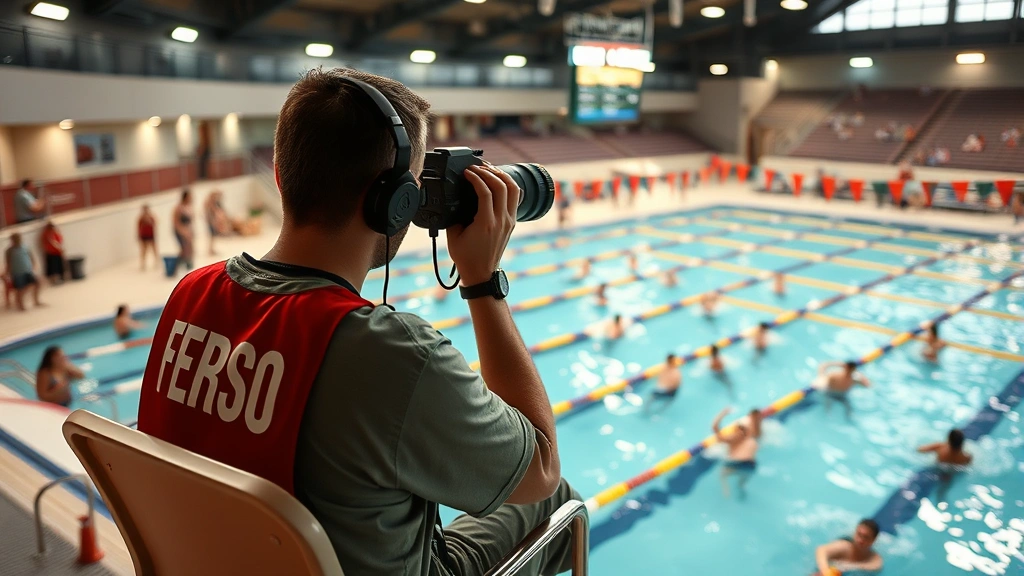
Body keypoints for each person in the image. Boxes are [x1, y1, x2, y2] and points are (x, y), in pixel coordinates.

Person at [137, 67, 580, 576]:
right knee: (558, 502)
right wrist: (482, 282)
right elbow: (541, 469)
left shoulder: (190, 293)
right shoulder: (389, 354)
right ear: (395, 203)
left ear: (280, 176)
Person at [712, 407, 761, 499]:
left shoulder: (730, 439)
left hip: (737, 463)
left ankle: (726, 492)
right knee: (743, 479)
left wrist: (723, 413)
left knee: (722, 474)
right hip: (751, 465)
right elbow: (756, 424)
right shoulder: (751, 436)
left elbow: (714, 427)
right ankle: (741, 486)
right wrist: (754, 418)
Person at [813, 519, 883, 575]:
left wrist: (848, 566)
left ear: (874, 540)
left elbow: (875, 566)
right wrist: (826, 572)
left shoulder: (874, 558)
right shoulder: (845, 547)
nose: (860, 540)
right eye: (859, 534)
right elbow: (821, 550)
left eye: (865, 537)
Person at [3, 233, 43, 311]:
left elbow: (31, 257)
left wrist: (34, 266)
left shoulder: (26, 247)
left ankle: (36, 301)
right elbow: (8, 263)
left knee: (38, 283)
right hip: (17, 273)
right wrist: (7, 273)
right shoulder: (9, 251)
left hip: (28, 270)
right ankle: (20, 305)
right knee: (20, 288)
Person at [172, 189, 195, 272]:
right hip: (180, 231)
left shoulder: (188, 207)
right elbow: (176, 223)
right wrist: (183, 232)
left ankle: (189, 266)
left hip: (188, 231)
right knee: (184, 250)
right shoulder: (178, 208)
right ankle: (174, 267)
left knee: (190, 249)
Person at [205, 190, 233, 256]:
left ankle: (211, 249)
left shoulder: (213, 203)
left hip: (212, 221)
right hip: (211, 222)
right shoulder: (210, 204)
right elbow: (213, 212)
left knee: (213, 236)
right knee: (212, 236)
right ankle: (210, 250)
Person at [138, 204, 158, 271]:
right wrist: (139, 235)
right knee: (144, 250)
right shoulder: (141, 218)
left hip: (150, 235)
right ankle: (143, 263)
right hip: (144, 235)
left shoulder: (151, 217)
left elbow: (155, 224)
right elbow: (138, 227)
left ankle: (156, 261)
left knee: (154, 248)